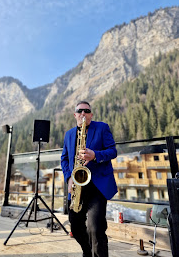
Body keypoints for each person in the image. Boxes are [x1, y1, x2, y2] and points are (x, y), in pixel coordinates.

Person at [61, 101, 117, 257]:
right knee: (75, 227)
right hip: (77, 185)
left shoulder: (102, 127)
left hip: (97, 186)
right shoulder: (69, 134)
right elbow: (64, 159)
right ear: (75, 115)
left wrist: (96, 155)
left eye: (87, 111)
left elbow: (113, 151)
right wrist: (69, 178)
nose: (83, 113)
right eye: (80, 111)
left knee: (95, 228)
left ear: (91, 114)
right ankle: (87, 252)